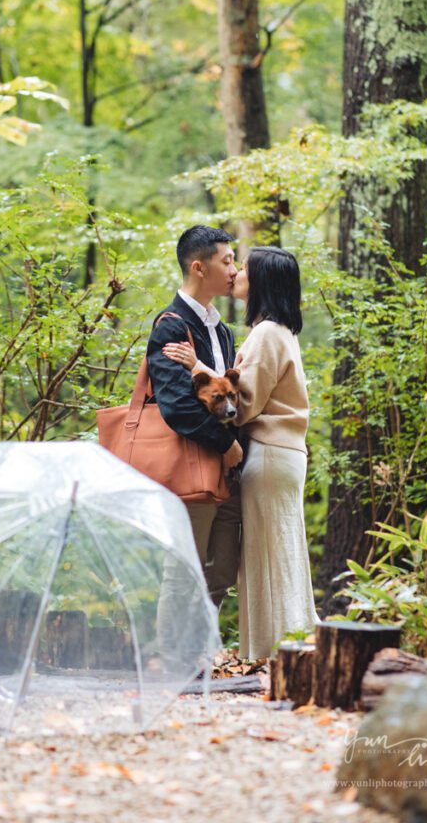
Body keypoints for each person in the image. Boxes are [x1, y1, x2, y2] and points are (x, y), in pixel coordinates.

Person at [163, 245, 318, 660]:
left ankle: (276, 654)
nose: (236, 273)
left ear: (262, 279)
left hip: (269, 453)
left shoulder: (268, 333)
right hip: (281, 454)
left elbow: (242, 406)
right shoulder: (277, 331)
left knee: (270, 557)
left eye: (243, 266)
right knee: (278, 552)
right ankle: (286, 649)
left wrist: (197, 366)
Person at [146, 226, 243, 578]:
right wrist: (225, 443)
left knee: (224, 571)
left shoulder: (222, 330)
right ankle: (173, 637)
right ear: (199, 268)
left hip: (228, 470)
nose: (235, 270)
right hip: (190, 465)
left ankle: (205, 637)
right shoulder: (171, 327)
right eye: (228, 261)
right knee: (184, 572)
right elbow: (174, 404)